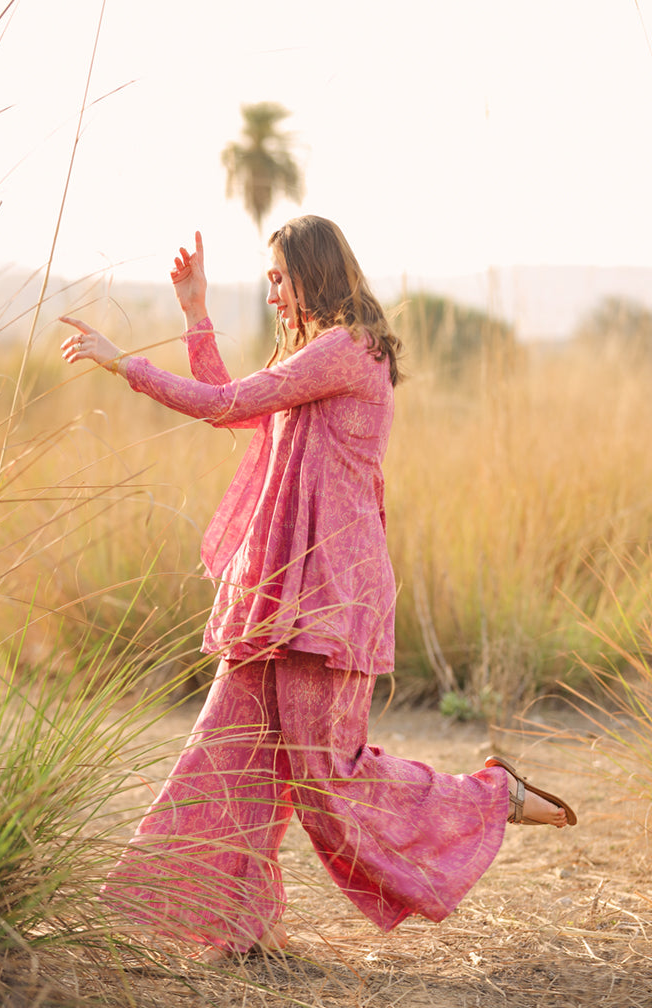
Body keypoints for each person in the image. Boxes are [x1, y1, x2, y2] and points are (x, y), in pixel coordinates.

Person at [60, 216, 576, 962]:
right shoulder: (314, 352)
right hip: (278, 592)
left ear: (313, 272)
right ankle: (234, 932)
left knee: (328, 784)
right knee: (225, 755)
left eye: (278, 277)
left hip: (328, 596)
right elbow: (233, 404)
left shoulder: (345, 349)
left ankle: (492, 797)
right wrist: (196, 315)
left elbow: (226, 403)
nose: (271, 293)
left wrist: (123, 365)